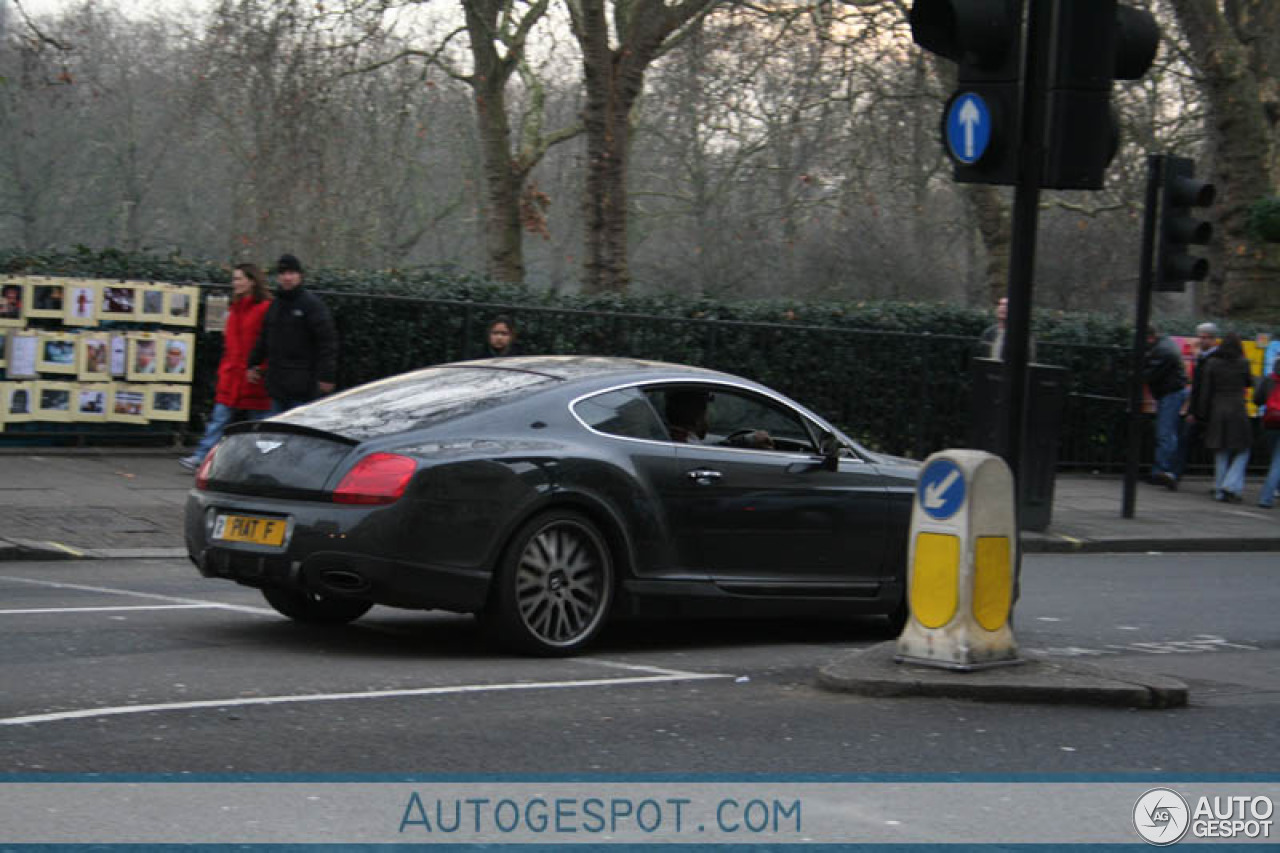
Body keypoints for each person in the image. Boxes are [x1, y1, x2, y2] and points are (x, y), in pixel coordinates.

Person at [180, 264, 275, 471]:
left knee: (254, 421)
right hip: (234, 372)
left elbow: (268, 342)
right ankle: (203, 456)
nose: (235, 283)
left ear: (252, 281)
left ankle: (256, 461)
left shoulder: (262, 308)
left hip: (251, 373)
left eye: (239, 279)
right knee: (224, 417)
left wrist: (260, 367)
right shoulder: (236, 308)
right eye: (234, 279)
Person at [246, 254, 338, 415]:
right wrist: (253, 363)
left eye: (291, 273)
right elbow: (265, 337)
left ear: (299, 275)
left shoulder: (312, 305)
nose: (287, 278)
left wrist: (326, 376)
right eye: (283, 274)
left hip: (304, 385)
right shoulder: (276, 305)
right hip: (277, 384)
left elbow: (327, 342)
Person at [1194, 331, 1253, 503]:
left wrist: (1202, 412)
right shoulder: (1243, 363)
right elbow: (1249, 382)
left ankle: (1220, 490)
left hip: (1218, 409)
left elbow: (1205, 391)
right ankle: (1230, 484)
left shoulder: (1212, 363)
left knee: (1221, 452)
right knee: (1243, 450)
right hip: (1237, 409)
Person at [1142, 324, 1188, 490]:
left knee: (1165, 433)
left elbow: (1150, 374)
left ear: (1149, 337)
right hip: (1171, 392)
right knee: (1168, 433)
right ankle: (1165, 470)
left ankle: (1163, 471)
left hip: (1170, 393)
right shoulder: (1165, 345)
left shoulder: (1163, 351)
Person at [1174, 321, 1220, 481]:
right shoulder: (1202, 357)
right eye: (1200, 337)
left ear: (1214, 339)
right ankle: (1175, 475)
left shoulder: (1215, 358)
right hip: (1199, 408)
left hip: (1211, 409)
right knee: (1185, 440)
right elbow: (1197, 386)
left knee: (1213, 445)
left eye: (1205, 338)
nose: (1202, 341)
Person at [1253, 358, 1280, 509]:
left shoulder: (1270, 378)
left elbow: (1257, 400)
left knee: (1275, 459)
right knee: (1278, 462)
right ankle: (1266, 497)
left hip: (1270, 423)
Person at [977, 295, 1036, 361]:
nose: (1002, 307)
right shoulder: (988, 332)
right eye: (1000, 304)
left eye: (1007, 305)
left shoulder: (1023, 334)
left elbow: (1029, 360)